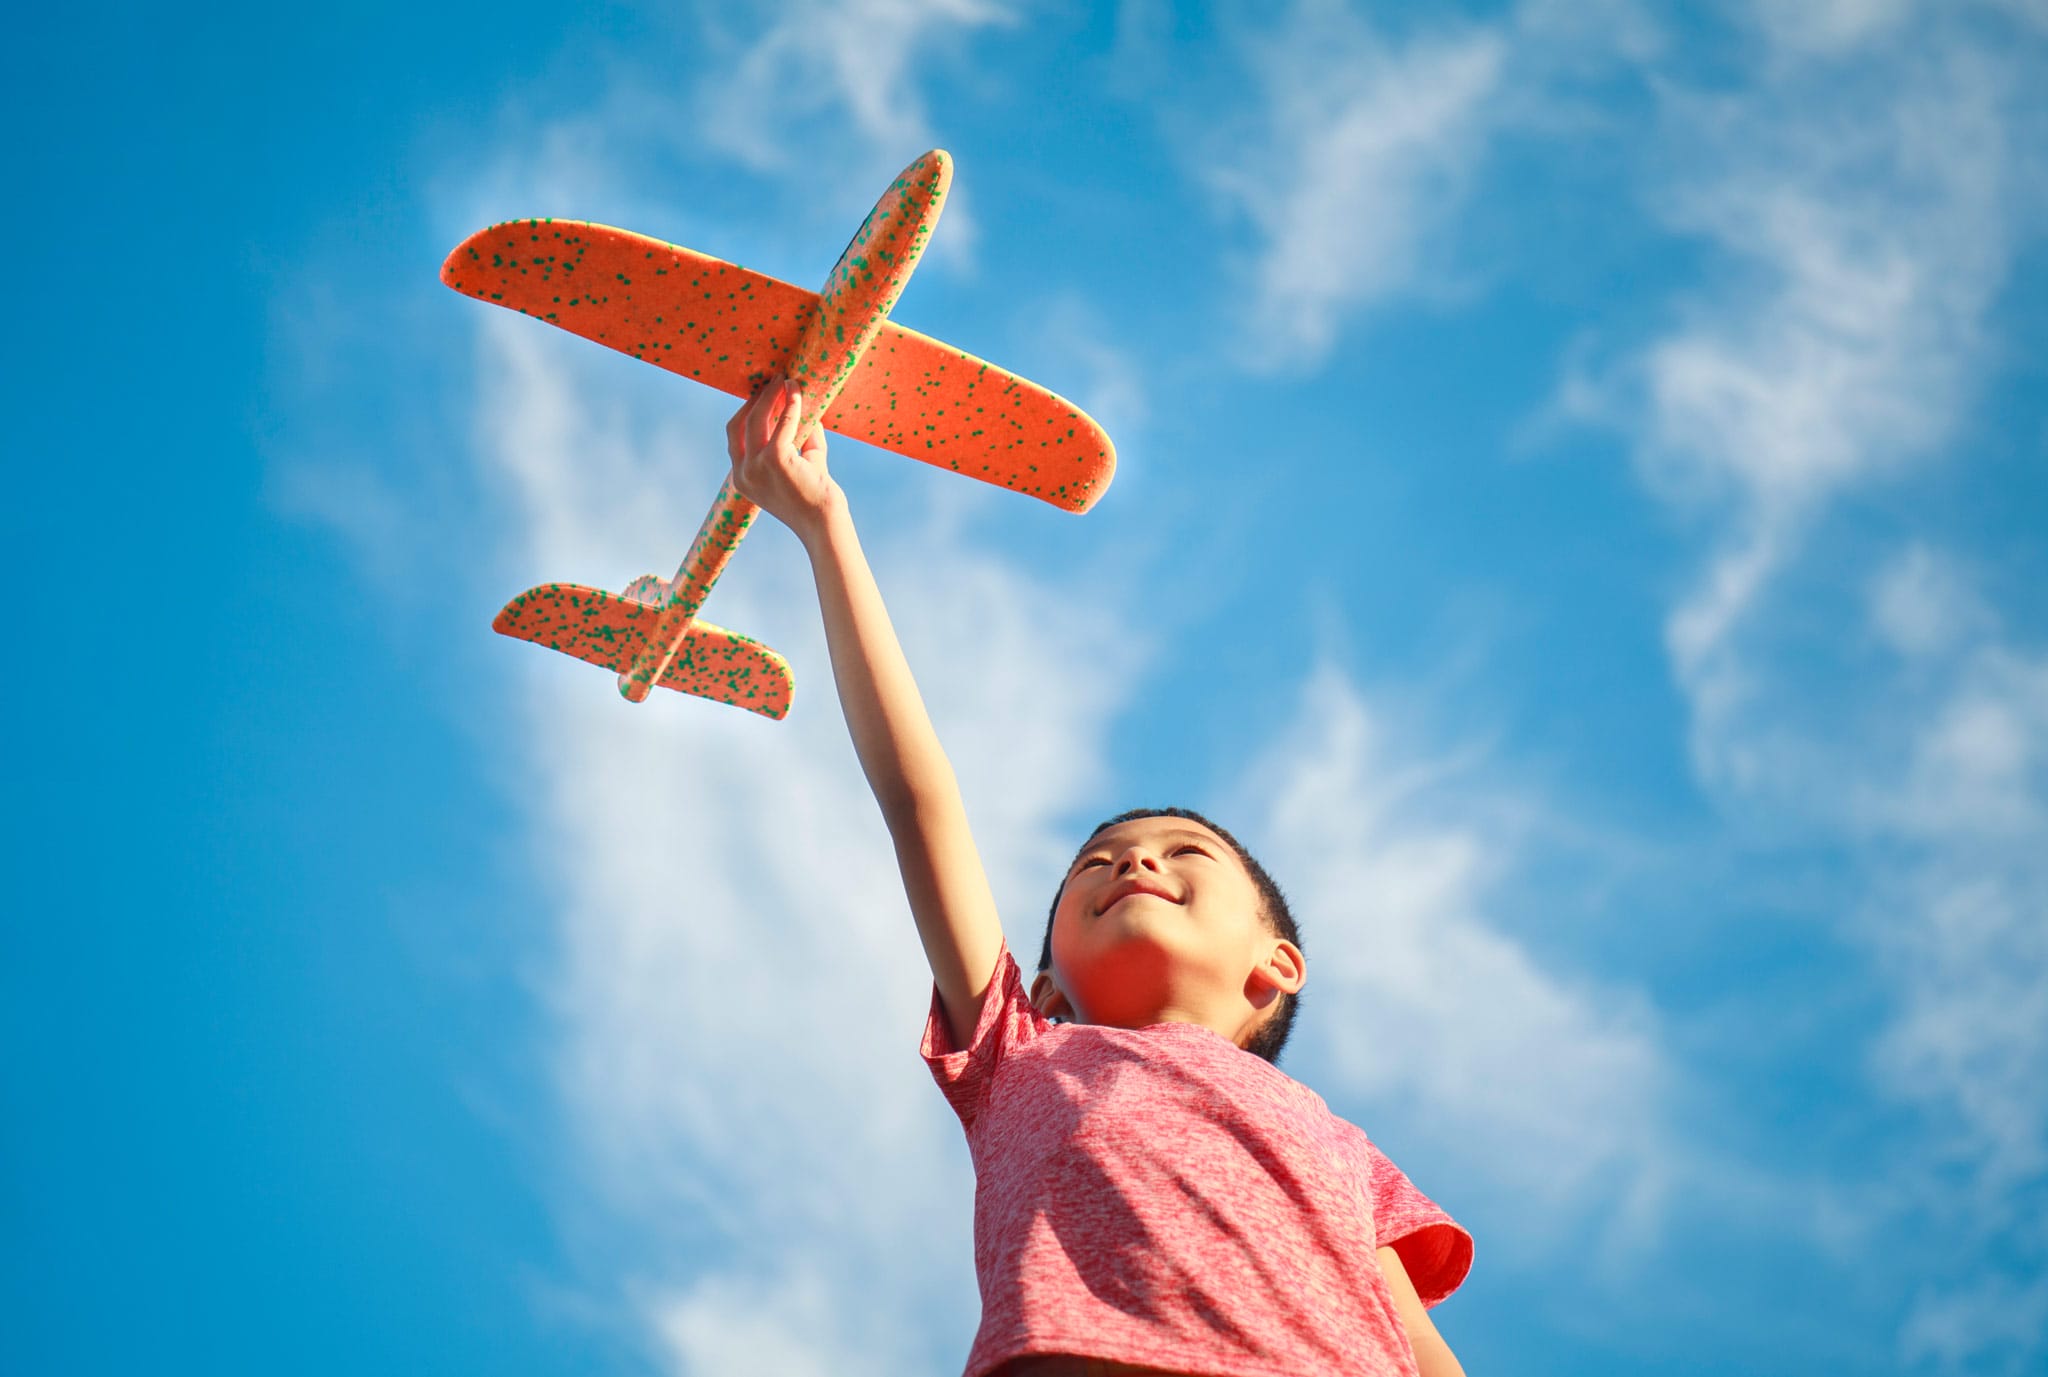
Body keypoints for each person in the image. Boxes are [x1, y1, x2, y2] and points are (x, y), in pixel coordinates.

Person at [726, 379, 1473, 1377]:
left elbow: (1421, 1353)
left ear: (1276, 965)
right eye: (1096, 864)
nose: (1134, 859)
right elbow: (919, 802)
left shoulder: (1340, 1147)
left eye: (1183, 854)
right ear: (1042, 991)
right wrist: (823, 528)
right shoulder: (1015, 1057)